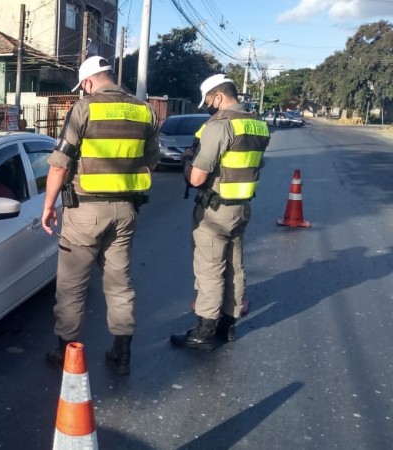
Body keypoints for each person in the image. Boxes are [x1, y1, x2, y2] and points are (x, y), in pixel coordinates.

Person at [41, 56, 159, 375]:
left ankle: (66, 352)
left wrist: (49, 206)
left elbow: (59, 164)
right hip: (126, 211)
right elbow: (152, 161)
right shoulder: (144, 110)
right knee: (119, 283)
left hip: (85, 212)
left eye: (83, 87)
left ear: (88, 82)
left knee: (72, 286)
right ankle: (122, 354)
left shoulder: (84, 108)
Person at [170, 74, 270, 350]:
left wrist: (188, 161)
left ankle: (204, 331)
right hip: (241, 207)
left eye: (208, 101)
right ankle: (227, 327)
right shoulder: (258, 124)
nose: (208, 107)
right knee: (234, 267)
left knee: (210, 269)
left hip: (215, 210)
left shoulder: (220, 125)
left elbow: (197, 178)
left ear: (218, 96)